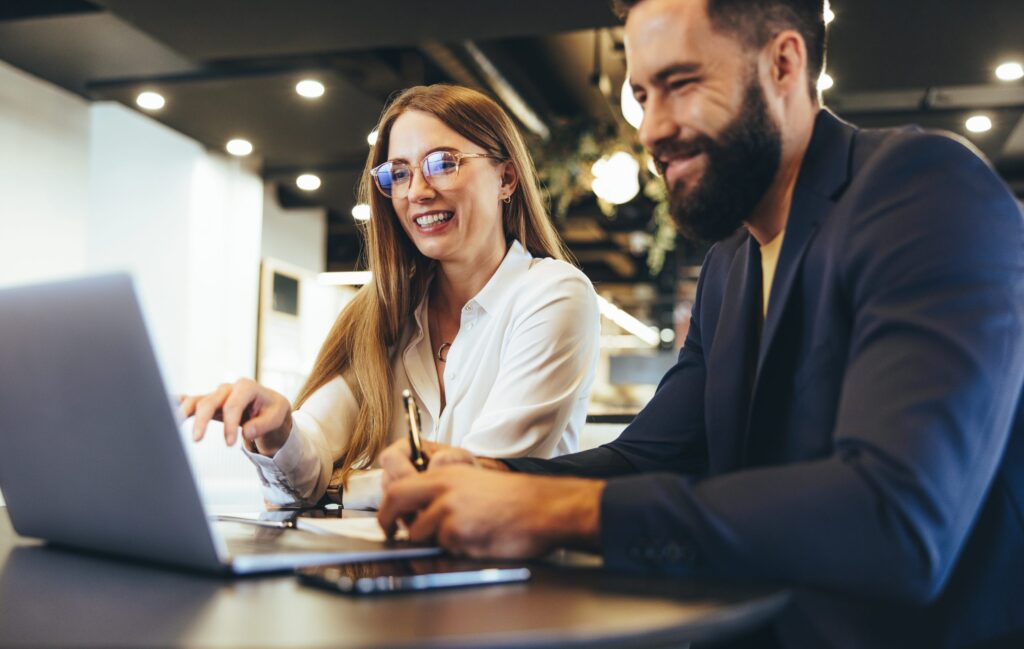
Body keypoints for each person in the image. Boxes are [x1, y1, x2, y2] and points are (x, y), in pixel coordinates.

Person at [376, 1, 1024, 647]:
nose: (652, 129)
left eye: (680, 84)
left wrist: (561, 511)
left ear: (783, 64)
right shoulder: (729, 263)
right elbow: (651, 455)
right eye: (639, 97)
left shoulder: (927, 191)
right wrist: (493, 476)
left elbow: (897, 517)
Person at [181, 84, 600, 509]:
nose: (417, 190)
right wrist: (278, 430)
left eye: (442, 163)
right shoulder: (386, 314)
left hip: (514, 571)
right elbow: (309, 457)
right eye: (398, 173)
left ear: (505, 178)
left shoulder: (554, 294)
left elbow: (480, 479)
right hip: (393, 570)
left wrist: (340, 488)